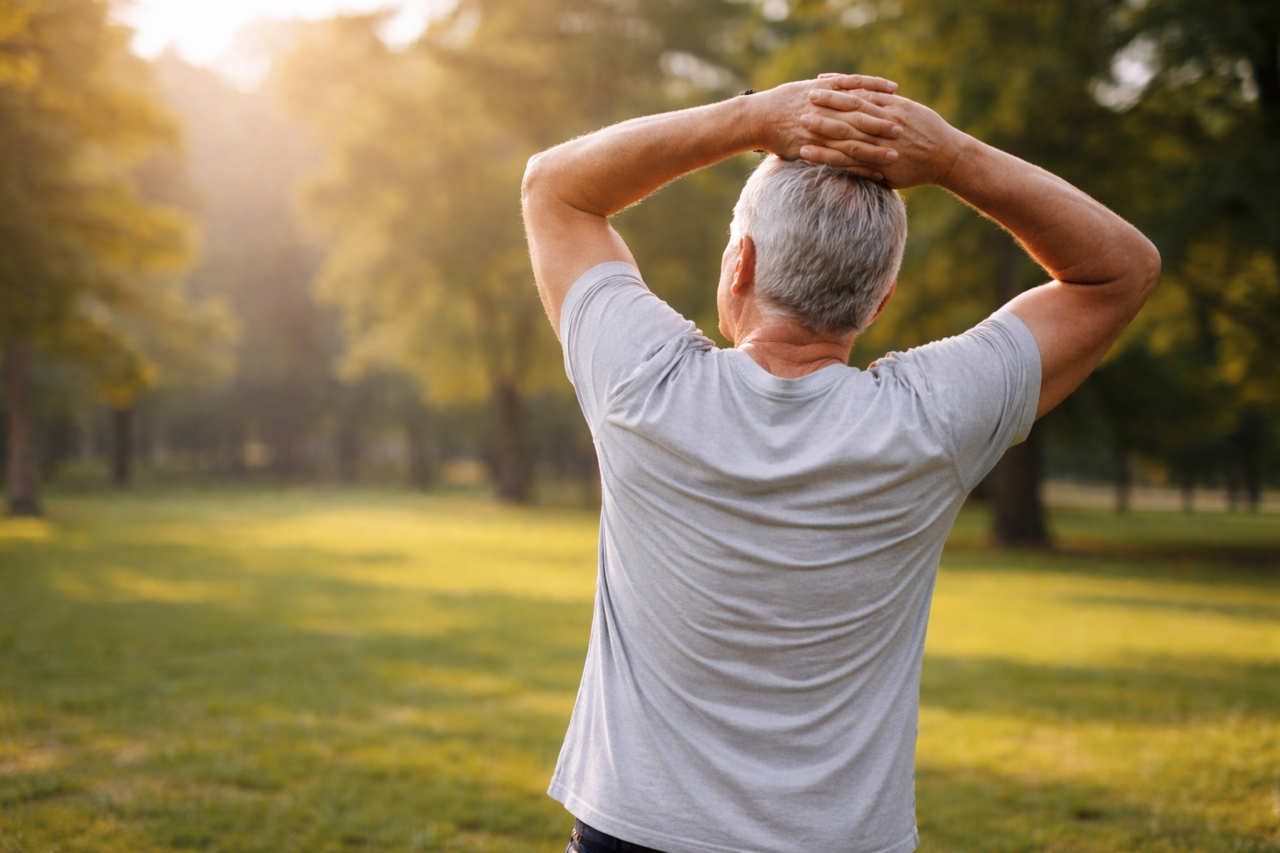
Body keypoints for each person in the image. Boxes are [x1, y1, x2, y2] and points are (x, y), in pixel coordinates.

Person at [520, 74, 1159, 853]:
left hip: (636, 835)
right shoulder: (933, 420)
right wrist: (952, 157)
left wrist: (751, 118)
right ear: (880, 298)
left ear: (739, 265)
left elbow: (556, 188)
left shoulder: (642, 384)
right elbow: (1121, 267)